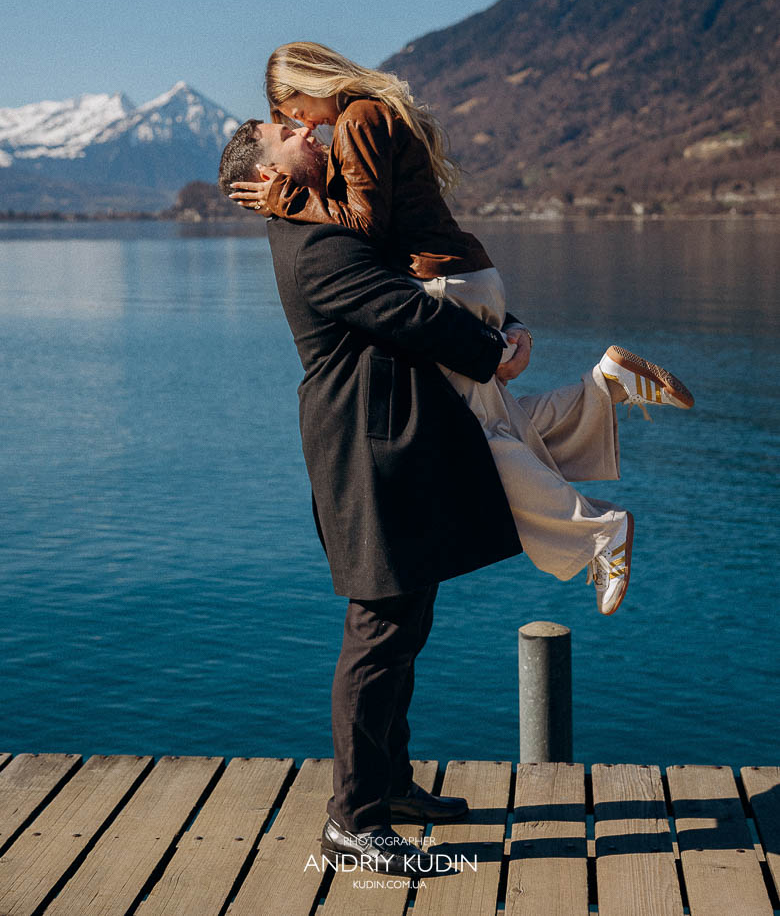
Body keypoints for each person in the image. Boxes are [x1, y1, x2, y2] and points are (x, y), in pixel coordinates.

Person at [227, 44, 694, 615]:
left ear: (311, 81)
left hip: (443, 281)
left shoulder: (358, 119)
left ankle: (600, 532)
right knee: (489, 422)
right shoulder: (373, 113)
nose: (305, 124)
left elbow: (365, 229)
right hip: (464, 275)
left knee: (469, 439)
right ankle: (605, 387)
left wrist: (296, 200)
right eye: (291, 123)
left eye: (296, 110)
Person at [219, 122, 525, 875]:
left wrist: (503, 323)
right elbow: (405, 312)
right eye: (286, 131)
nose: (308, 128)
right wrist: (491, 352)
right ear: (264, 175)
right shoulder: (316, 246)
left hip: (392, 441)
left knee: (406, 620)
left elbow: (422, 274)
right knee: (379, 631)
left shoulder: (333, 223)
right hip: (364, 451)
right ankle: (353, 822)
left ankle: (388, 785)